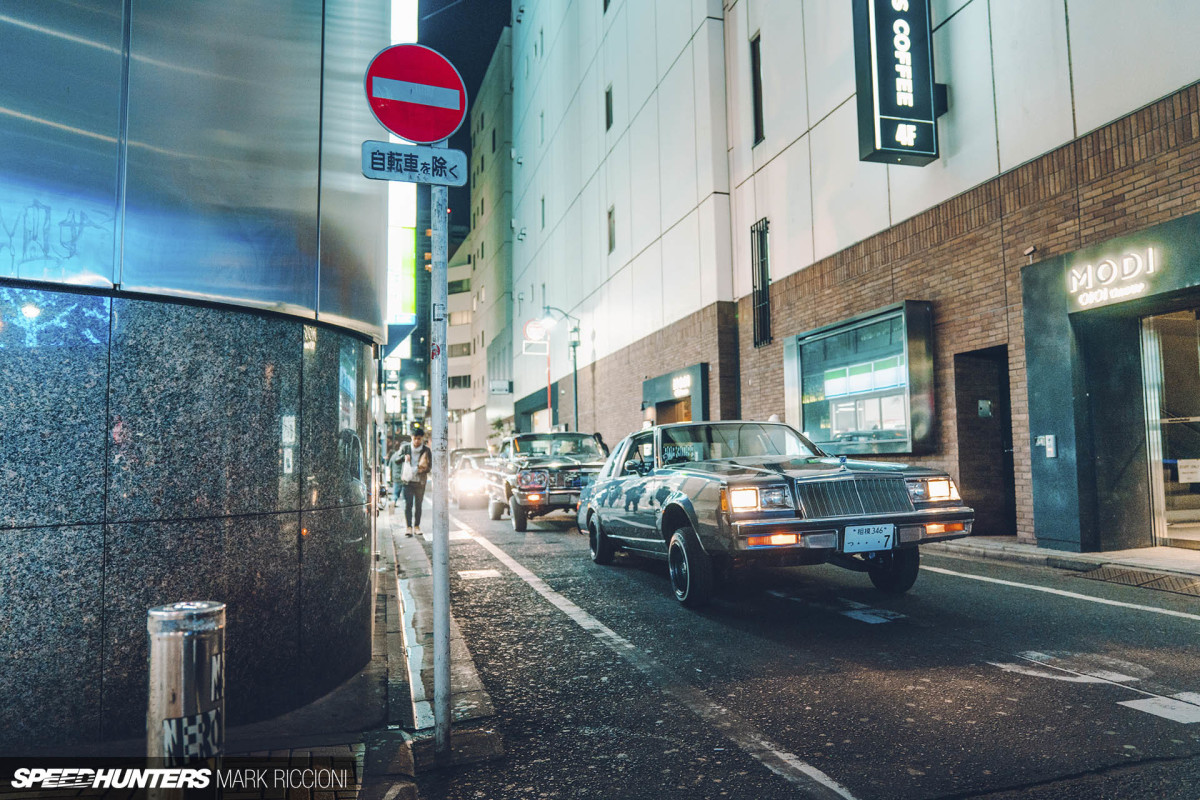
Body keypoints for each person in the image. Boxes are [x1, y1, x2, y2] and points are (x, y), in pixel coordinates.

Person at [390, 430, 432, 536]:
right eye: (415, 438)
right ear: (411, 437)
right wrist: (404, 458)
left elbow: (429, 466)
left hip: (420, 481)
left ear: (422, 438)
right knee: (408, 505)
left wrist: (422, 469)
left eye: (419, 438)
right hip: (407, 481)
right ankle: (409, 527)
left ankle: (417, 526)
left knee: (418, 505)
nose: (417, 441)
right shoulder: (406, 448)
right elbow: (396, 460)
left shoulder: (426, 450)